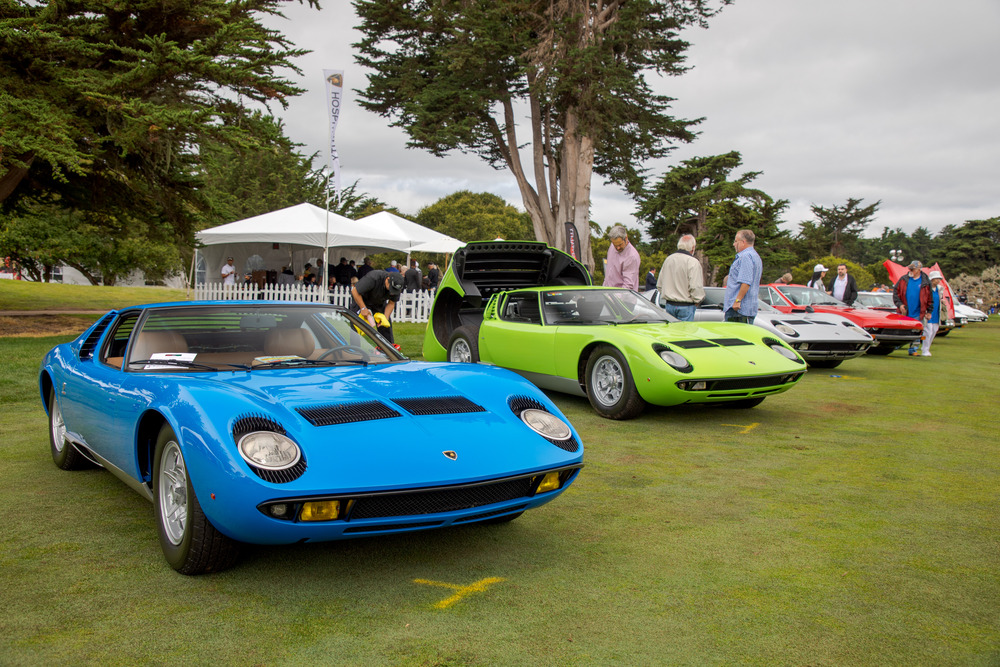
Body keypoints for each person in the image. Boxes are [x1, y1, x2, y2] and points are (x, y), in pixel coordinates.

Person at [656, 234, 705, 322]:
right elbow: (695, 286)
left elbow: (660, 284)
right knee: (684, 334)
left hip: (669, 304)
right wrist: (697, 300)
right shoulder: (692, 262)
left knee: (671, 334)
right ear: (693, 248)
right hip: (686, 305)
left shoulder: (668, 260)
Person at [350, 269, 404, 343]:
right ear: (387, 279)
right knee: (357, 325)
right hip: (362, 299)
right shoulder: (373, 278)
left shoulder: (397, 285)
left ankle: (388, 351)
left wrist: (385, 318)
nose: (392, 291)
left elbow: (391, 303)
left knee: (385, 326)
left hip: (379, 302)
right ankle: (355, 351)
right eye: (391, 288)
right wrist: (363, 308)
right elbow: (354, 291)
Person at [892, 260, 932, 355]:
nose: (910, 270)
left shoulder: (926, 281)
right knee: (900, 330)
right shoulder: (903, 279)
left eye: (912, 269)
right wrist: (900, 305)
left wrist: (929, 311)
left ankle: (913, 349)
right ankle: (895, 345)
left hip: (919, 312)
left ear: (919, 270)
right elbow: (896, 293)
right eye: (909, 268)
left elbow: (930, 297)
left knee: (917, 332)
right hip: (904, 311)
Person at [722, 229, 762, 323]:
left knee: (733, 337)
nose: (734, 244)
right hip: (745, 309)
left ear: (743, 242)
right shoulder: (755, 256)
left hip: (739, 310)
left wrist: (737, 300)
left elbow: (746, 282)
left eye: (736, 241)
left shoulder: (745, 257)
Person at [603, 225, 640, 290]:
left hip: (623, 297)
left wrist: (614, 298)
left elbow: (628, 286)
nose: (618, 248)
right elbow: (608, 275)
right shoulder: (612, 246)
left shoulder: (632, 257)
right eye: (615, 245)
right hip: (608, 293)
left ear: (626, 238)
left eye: (620, 244)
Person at [920, 271, 948, 357]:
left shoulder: (939, 289)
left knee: (934, 330)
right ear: (931, 279)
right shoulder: (926, 289)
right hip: (928, 312)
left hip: (936, 312)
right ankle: (924, 349)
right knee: (928, 330)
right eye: (936, 279)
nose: (938, 281)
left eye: (939, 279)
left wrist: (942, 301)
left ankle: (927, 348)